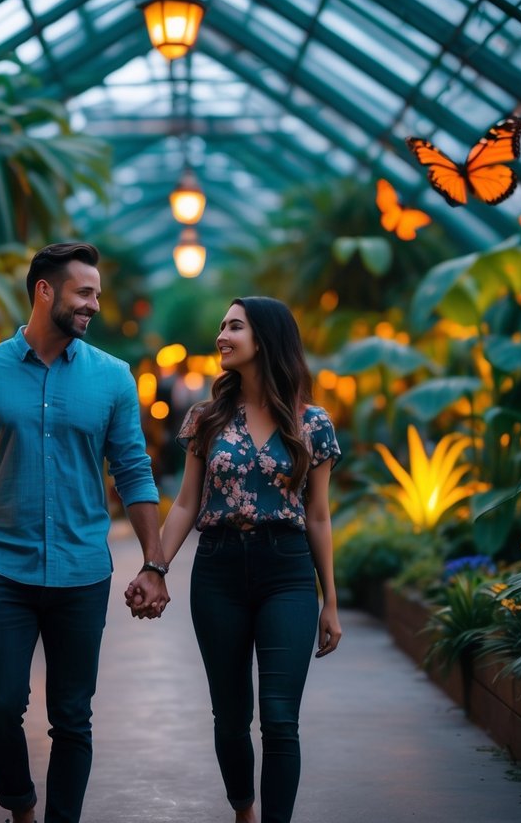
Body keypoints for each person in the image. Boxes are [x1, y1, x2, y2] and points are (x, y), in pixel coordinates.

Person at [0, 242, 170, 823]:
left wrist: (154, 563)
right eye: (84, 293)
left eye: (96, 295)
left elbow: (134, 471)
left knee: (72, 716)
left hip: (82, 572)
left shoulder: (113, 378)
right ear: (45, 291)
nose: (93, 305)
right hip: (3, 572)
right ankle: (21, 809)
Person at [128, 296, 342, 823]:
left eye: (234, 327)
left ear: (265, 338)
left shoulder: (312, 423)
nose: (222, 335)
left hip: (287, 573)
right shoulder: (206, 417)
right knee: (230, 717)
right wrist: (155, 566)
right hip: (219, 571)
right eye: (222, 325)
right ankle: (244, 810)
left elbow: (317, 516)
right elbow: (185, 503)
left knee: (279, 718)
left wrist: (330, 602)